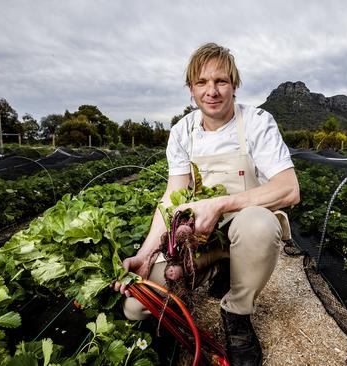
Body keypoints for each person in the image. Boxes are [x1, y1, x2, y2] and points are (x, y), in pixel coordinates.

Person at [115, 42, 300, 366]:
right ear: (191, 88)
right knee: (135, 307)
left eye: (221, 81)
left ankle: (236, 314)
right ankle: (213, 272)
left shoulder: (256, 123)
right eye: (202, 82)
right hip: (200, 236)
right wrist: (144, 255)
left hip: (244, 229)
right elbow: (172, 197)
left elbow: (289, 190)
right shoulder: (182, 132)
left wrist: (220, 204)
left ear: (234, 85)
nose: (211, 91)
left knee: (258, 224)